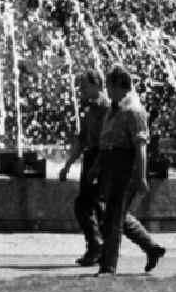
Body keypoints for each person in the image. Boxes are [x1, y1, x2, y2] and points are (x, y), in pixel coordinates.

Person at [92, 64, 166, 276]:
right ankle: (152, 248)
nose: (106, 91)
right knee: (116, 215)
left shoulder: (134, 110)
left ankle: (108, 267)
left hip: (124, 167)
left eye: (108, 86)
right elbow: (106, 141)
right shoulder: (114, 109)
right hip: (110, 166)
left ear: (118, 85)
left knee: (113, 218)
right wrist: (97, 166)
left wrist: (141, 176)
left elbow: (141, 146)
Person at [58, 70, 109, 266]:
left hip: (100, 158)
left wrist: (97, 166)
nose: (80, 90)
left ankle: (96, 245)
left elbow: (106, 140)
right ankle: (98, 247)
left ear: (97, 85)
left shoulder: (106, 108)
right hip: (91, 157)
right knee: (92, 205)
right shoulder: (92, 109)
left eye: (84, 86)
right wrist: (67, 166)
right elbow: (82, 140)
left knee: (85, 205)